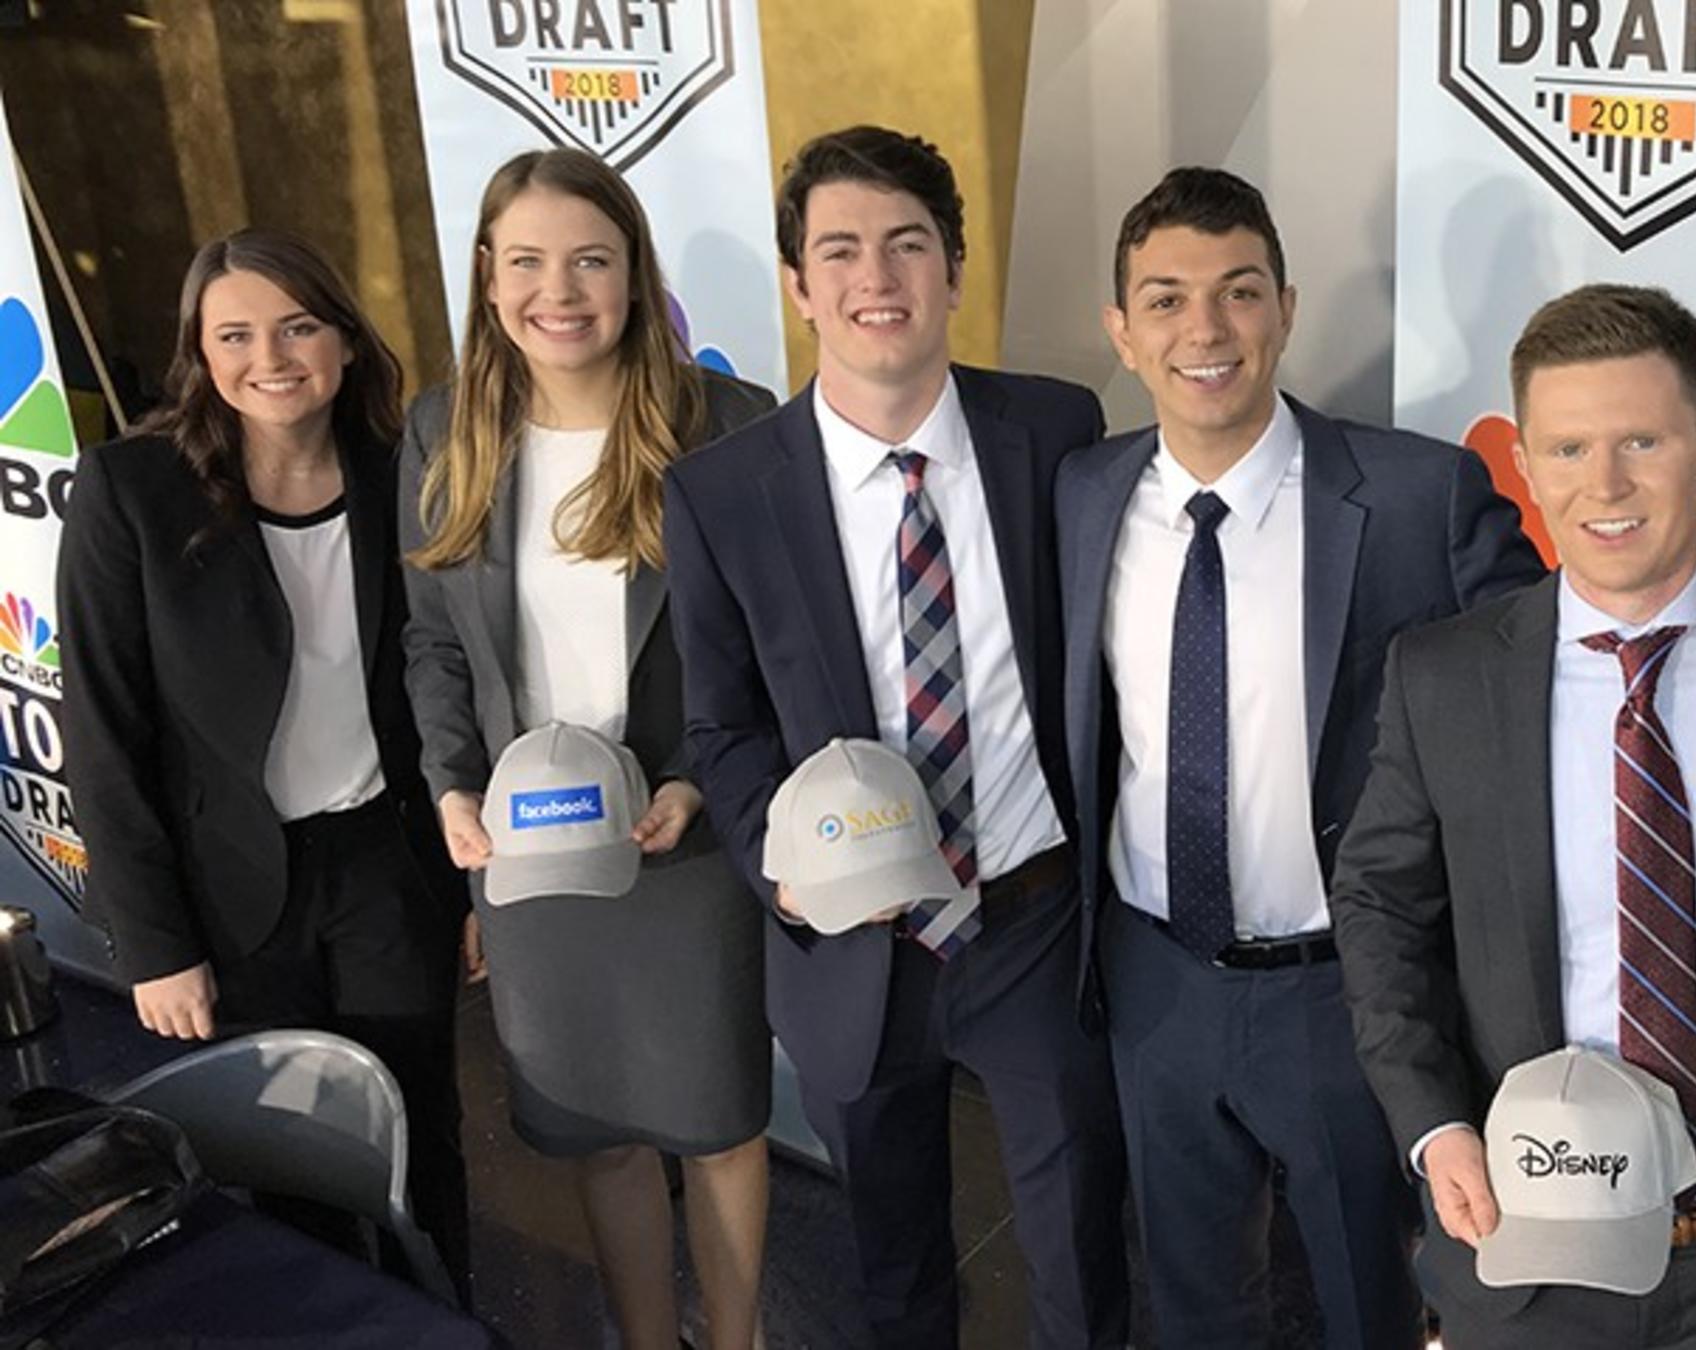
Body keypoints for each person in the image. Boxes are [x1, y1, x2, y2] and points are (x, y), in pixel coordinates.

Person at [1328, 282, 1696, 1348]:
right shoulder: (1443, 677)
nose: (1606, 485)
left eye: (1642, 441)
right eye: (1569, 449)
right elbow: (1380, 907)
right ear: (1524, 466)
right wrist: (1432, 1123)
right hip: (1534, 1252)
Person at [1057, 165, 1544, 1347]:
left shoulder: (1419, 496)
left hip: (1341, 991)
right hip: (1154, 978)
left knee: (1369, 1299)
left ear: (1284, 307)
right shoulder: (1083, 491)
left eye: (1238, 291)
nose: (1204, 330)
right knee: (1192, 1303)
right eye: (1166, 300)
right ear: (1122, 332)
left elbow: (1557, 658)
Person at [661, 125, 1128, 1349]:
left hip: (1035, 921)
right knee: (894, 1268)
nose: (876, 277)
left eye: (907, 244)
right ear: (799, 284)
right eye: (841, 250)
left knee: (1082, 1250)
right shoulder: (722, 493)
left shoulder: (1057, 430)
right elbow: (722, 724)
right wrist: (786, 872)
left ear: (954, 269)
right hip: (852, 944)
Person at [396, 148, 774, 1350]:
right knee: (599, 1135)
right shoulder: (445, 430)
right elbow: (432, 642)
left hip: (686, 844)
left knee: (720, 1129)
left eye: (590, 261)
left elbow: (771, 643)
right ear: (487, 276)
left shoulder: (726, 424)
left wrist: (698, 778)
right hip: (531, 853)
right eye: (527, 262)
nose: (557, 292)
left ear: (633, 274)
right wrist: (452, 787)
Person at [58, 228, 471, 1291]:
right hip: (231, 882)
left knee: (420, 1131)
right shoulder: (130, 490)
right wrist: (153, 943)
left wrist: (474, 884)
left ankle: (440, 1321)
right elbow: (104, 731)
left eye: (297, 327)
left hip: (388, 866)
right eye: (234, 335)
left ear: (345, 339)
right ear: (200, 352)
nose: (269, 358)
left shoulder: (405, 475)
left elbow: (446, 681)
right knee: (293, 1164)